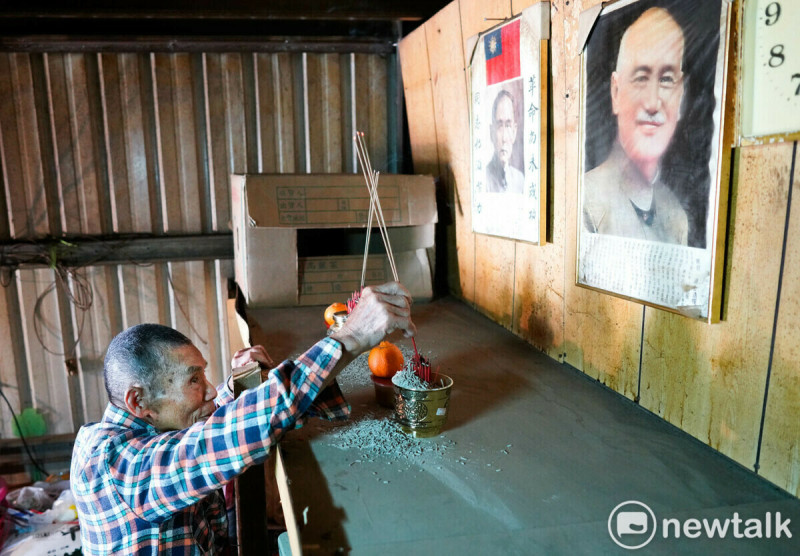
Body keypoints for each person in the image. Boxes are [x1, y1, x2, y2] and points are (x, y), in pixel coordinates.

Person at [70, 282, 415, 555]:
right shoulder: (114, 468)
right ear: (138, 400)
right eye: (193, 380)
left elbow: (211, 421)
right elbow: (215, 441)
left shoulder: (159, 423)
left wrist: (242, 385)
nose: (208, 391)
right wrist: (349, 337)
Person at [583, 7, 689, 245]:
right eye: (641, 77)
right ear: (616, 91)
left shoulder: (677, 217)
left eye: (666, 80)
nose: (653, 103)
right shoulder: (586, 201)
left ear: (680, 96)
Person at [485, 89, 524, 194]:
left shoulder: (520, 181)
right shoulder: (483, 179)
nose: (504, 138)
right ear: (491, 133)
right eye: (499, 126)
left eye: (508, 125)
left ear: (514, 132)